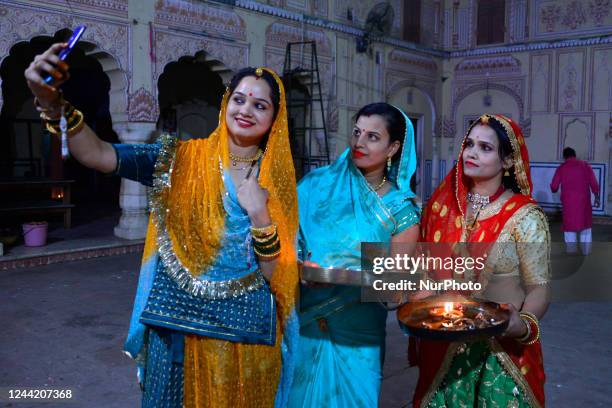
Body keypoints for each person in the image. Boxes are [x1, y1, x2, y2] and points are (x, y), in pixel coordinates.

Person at [25, 43, 300, 407]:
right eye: (239, 99)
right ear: (226, 103)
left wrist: (259, 216)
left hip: (241, 338)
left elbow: (274, 276)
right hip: (174, 330)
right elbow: (98, 154)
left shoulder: (276, 188)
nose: (245, 109)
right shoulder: (177, 160)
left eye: (259, 105)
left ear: (274, 120)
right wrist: (55, 105)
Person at [412, 114, 550, 407]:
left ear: (508, 161)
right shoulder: (442, 205)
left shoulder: (524, 216)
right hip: (443, 346)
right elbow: (423, 267)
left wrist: (523, 324)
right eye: (469, 144)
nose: (471, 153)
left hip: (500, 354)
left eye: (485, 148)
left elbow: (539, 288)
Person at [288, 103, 420, 407]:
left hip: (359, 333)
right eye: (357, 132)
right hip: (306, 318)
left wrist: (405, 285)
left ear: (393, 147)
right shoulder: (316, 185)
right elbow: (289, 238)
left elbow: (393, 289)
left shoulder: (400, 210)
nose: (359, 142)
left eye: (373, 137)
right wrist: (300, 266)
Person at [550, 147, 600, 255]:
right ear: (575, 155)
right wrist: (597, 197)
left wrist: (554, 188)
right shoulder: (585, 165)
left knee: (569, 227)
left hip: (569, 204)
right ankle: (586, 251)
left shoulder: (562, 168)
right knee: (585, 226)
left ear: (564, 157)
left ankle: (571, 250)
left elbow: (554, 187)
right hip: (584, 203)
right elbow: (594, 183)